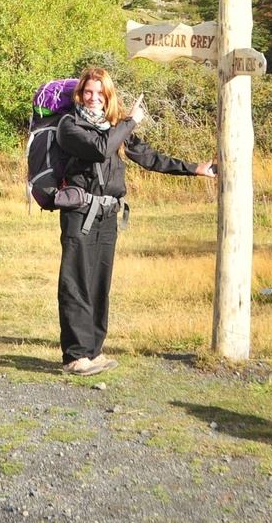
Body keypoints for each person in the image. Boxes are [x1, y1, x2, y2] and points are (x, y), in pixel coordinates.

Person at [51, 66, 215, 376]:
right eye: (89, 92)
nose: (94, 98)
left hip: (108, 215)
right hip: (79, 215)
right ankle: (75, 356)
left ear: (109, 96)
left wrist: (192, 168)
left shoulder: (115, 128)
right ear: (80, 94)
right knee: (75, 283)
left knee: (99, 284)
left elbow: (147, 156)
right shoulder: (68, 126)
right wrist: (129, 122)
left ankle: (93, 351)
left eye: (101, 93)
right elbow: (100, 150)